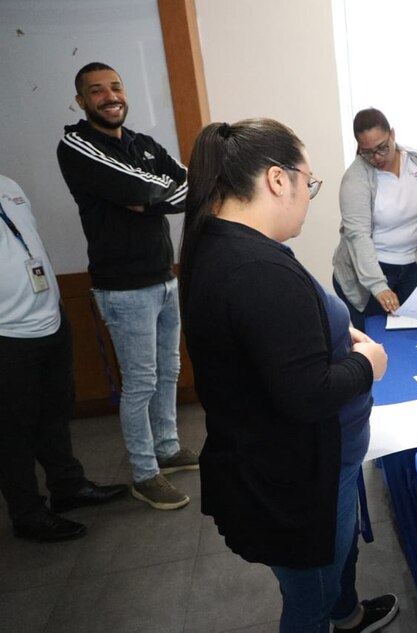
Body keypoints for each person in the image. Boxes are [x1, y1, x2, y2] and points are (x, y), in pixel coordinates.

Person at [179, 118, 398, 633]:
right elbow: (306, 395)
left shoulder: (223, 244)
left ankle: (348, 616)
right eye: (309, 183)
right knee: (309, 600)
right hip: (300, 475)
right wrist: (367, 364)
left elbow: (275, 351)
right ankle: (334, 614)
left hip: (298, 461)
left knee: (330, 575)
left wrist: (338, 341)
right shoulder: (256, 269)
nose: (308, 195)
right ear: (279, 180)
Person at [57, 62, 198, 511]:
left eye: (115, 87)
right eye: (96, 91)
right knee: (139, 383)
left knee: (169, 371)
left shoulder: (142, 143)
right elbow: (142, 189)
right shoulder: (77, 144)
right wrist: (150, 194)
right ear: (82, 101)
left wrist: (150, 199)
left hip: (163, 277)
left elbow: (189, 184)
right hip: (123, 289)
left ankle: (168, 448)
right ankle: (144, 474)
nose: (109, 95)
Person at [0, 175, 127, 541]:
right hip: (8, 335)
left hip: (50, 320)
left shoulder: (10, 185)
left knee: (55, 415)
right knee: (13, 433)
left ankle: (68, 487)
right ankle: (28, 514)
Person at [332, 108, 417, 330]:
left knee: (416, 336)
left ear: (392, 134)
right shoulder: (355, 180)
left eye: (382, 147)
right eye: (368, 152)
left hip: (415, 266)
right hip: (372, 270)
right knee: (377, 341)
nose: (377, 157)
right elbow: (358, 236)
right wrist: (378, 285)